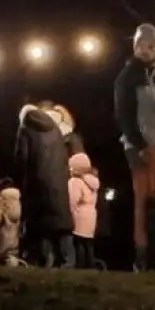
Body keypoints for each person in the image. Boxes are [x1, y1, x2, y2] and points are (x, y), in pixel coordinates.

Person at [114, 23, 155, 272]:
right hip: (142, 147)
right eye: (141, 45)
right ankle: (142, 257)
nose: (146, 50)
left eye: (151, 46)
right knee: (143, 201)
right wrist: (138, 144)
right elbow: (124, 113)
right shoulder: (128, 76)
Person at [13, 104, 74, 267]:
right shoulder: (56, 130)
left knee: (41, 223)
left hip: (36, 180)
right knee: (60, 221)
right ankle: (67, 261)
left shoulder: (25, 129)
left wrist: (21, 179)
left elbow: (22, 158)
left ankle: (45, 260)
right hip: (58, 180)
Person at [68, 152, 101, 269]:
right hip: (91, 215)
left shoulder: (76, 182)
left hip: (79, 214)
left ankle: (80, 266)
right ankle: (91, 265)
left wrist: (70, 212)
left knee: (79, 242)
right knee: (88, 243)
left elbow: (73, 200)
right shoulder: (94, 182)